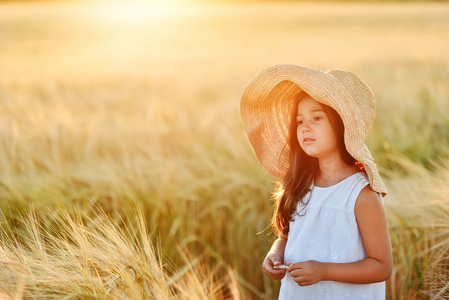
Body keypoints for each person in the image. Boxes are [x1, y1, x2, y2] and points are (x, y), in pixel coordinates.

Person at [240, 65, 392, 299]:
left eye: (317, 117)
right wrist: (275, 253)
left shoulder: (361, 194)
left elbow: (381, 266)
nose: (305, 127)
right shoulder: (299, 184)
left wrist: (323, 271)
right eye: (300, 121)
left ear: (342, 123)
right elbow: (287, 236)